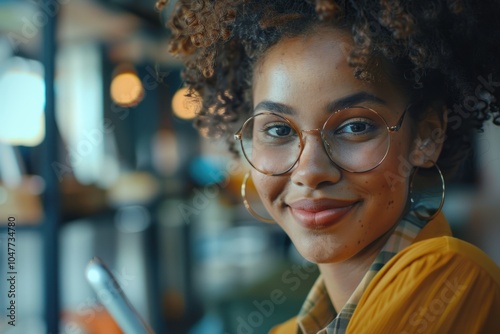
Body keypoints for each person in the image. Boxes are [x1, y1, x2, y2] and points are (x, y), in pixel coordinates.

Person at [157, 0, 500, 332]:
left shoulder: (449, 280)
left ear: (426, 136)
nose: (310, 171)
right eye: (278, 130)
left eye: (355, 127)